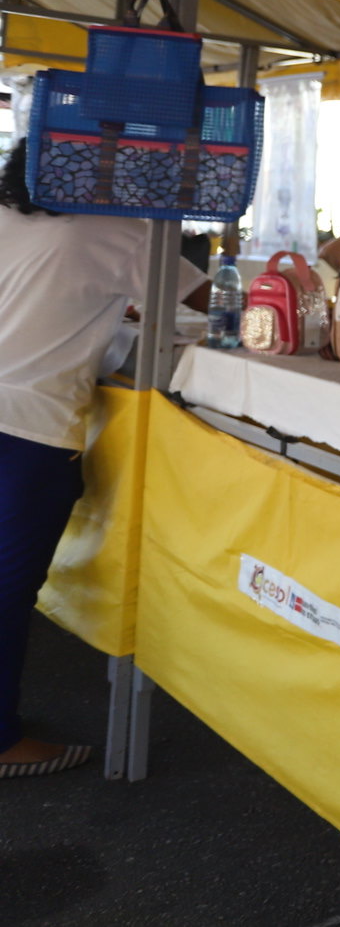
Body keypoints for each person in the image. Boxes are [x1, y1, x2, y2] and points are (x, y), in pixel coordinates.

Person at [0, 143, 206, 778]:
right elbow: (201, 312)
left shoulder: (6, 215)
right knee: (7, 591)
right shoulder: (117, 231)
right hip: (30, 431)